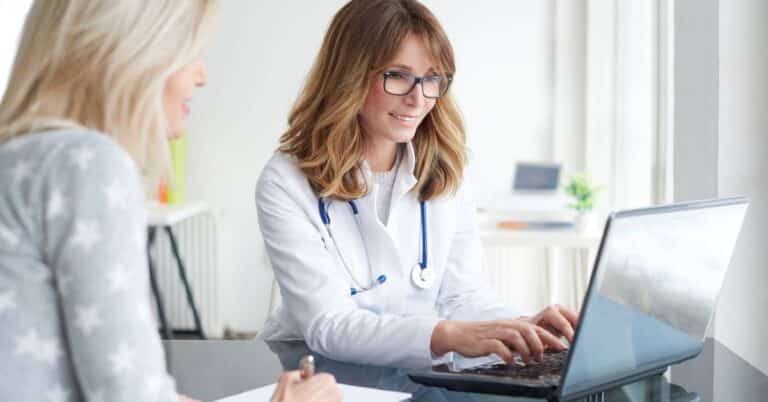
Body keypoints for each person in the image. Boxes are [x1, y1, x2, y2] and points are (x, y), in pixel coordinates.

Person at [0, 1, 340, 401]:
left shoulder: (20, 159)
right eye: (191, 54)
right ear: (134, 52)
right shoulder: (86, 163)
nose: (203, 75)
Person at [255, 0, 579, 370]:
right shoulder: (286, 180)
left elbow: (464, 295)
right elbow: (328, 325)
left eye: (432, 78)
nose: (418, 98)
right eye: (398, 75)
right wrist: (445, 335)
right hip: (314, 368)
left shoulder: (446, 167)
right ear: (349, 74)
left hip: (412, 369)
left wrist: (518, 328)